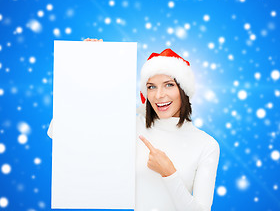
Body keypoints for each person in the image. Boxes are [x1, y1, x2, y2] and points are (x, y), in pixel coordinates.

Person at [47, 39, 220, 211]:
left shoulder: (206, 145)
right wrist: (89, 63)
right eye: (151, 87)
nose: (159, 95)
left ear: (184, 90)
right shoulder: (132, 127)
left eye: (169, 85)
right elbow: (60, 132)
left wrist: (169, 173)